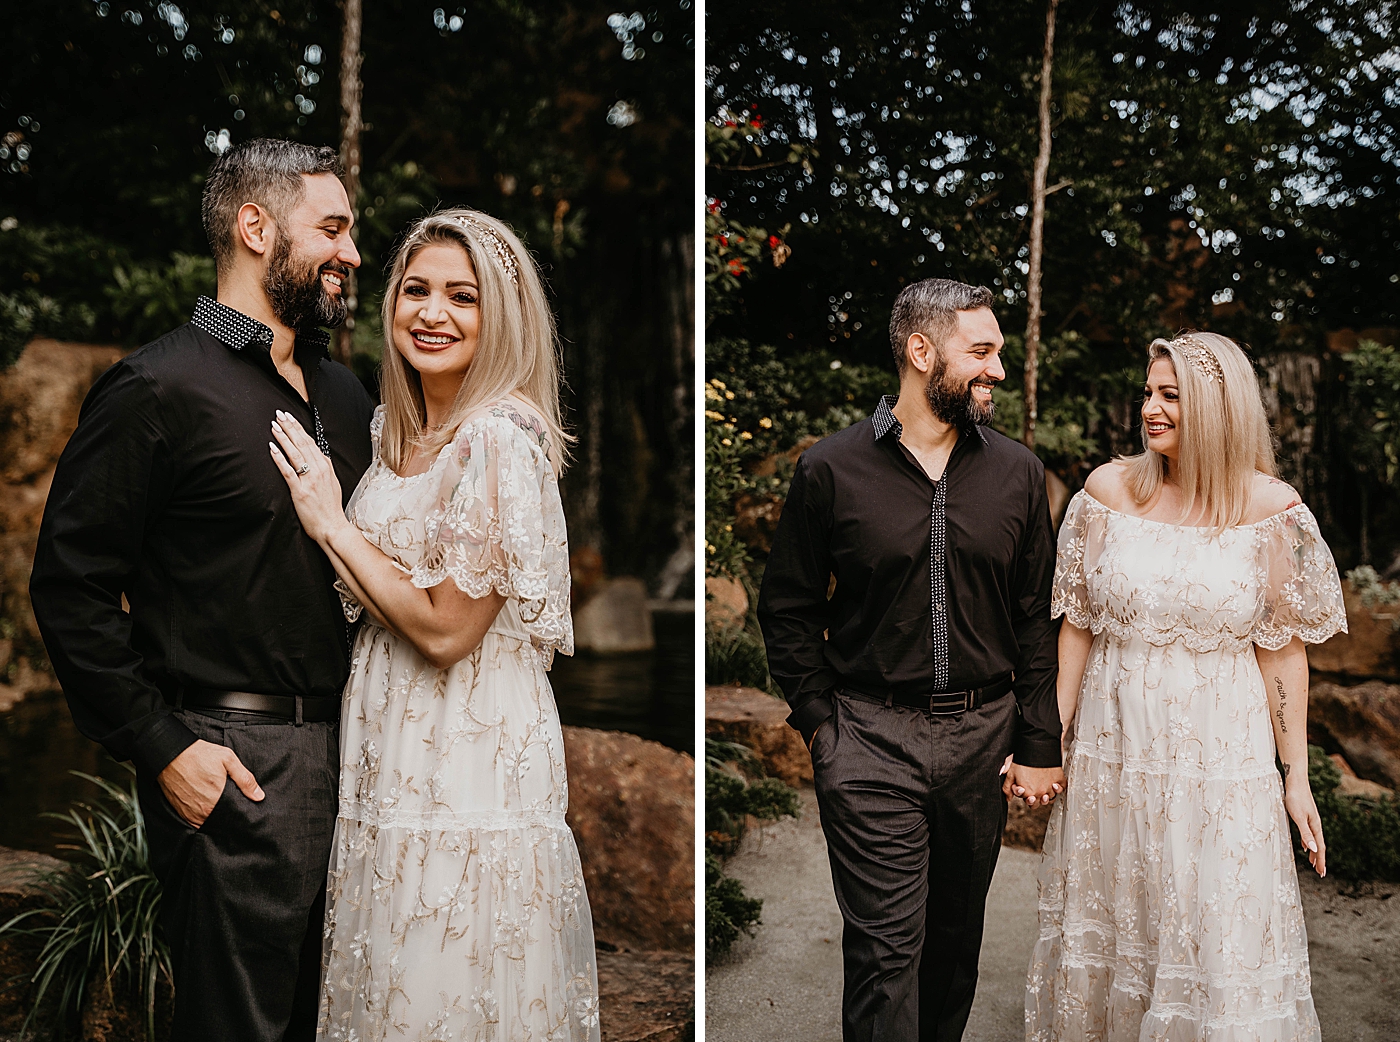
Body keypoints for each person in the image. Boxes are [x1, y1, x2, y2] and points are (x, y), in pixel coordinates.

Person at [29, 138, 375, 1039]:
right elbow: (69, 588)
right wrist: (161, 746)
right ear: (255, 228)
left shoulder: (346, 395)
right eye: (331, 229)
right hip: (235, 765)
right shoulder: (156, 388)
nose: (353, 253)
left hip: (370, 761)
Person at [266, 208, 600, 1040]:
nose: (433, 313)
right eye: (416, 290)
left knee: (449, 976)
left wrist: (329, 523)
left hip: (468, 756)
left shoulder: (497, 438)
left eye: (463, 296)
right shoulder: (392, 433)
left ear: (502, 316)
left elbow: (451, 631)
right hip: (391, 754)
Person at [758, 278, 1065, 1042]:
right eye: (982, 351)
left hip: (981, 743)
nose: (997, 369)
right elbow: (789, 609)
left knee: (953, 951)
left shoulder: (1019, 475)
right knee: (884, 955)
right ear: (921, 352)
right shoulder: (829, 470)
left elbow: (1034, 618)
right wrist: (824, 728)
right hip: (868, 740)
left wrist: (1036, 742)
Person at [1026, 331, 1345, 1042]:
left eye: (1170, 396)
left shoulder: (1272, 509)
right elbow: (1076, 625)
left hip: (1219, 769)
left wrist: (1295, 777)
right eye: (1148, 393)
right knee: (1116, 932)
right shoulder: (1107, 493)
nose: (1150, 409)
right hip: (1114, 760)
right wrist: (1047, 736)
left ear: (1219, 408)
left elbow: (1283, 652)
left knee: (1215, 941)